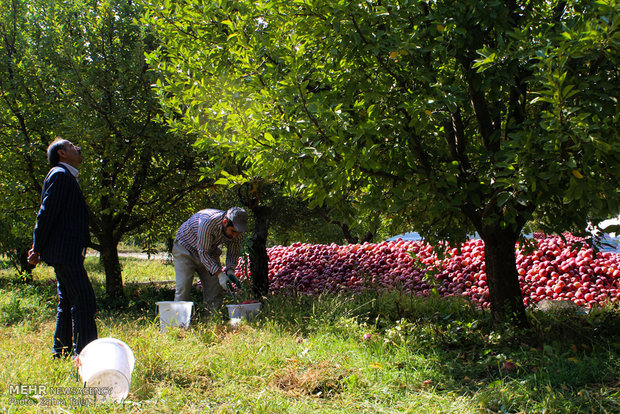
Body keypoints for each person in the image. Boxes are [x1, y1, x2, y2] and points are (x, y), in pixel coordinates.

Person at [28, 138, 98, 358]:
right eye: (71, 146)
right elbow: (46, 214)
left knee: (67, 301)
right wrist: (36, 248)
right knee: (85, 301)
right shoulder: (60, 176)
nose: (78, 148)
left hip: (64, 251)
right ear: (62, 154)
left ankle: (61, 352)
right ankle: (86, 356)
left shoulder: (64, 176)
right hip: (64, 252)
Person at [172, 207, 248, 312]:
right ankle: (178, 322)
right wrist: (220, 275)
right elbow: (203, 252)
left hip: (209, 251)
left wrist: (230, 270)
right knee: (184, 288)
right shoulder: (208, 222)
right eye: (233, 231)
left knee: (215, 290)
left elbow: (233, 252)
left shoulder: (238, 230)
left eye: (238, 233)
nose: (235, 236)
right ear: (225, 222)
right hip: (185, 249)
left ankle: (213, 321)